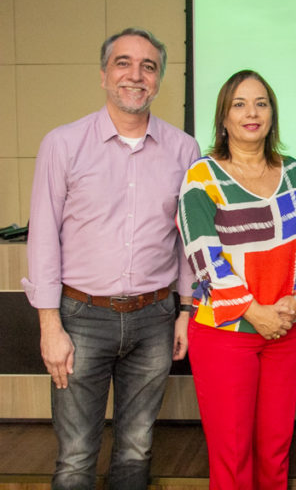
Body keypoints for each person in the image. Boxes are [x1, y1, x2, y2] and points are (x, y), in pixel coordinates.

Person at [22, 27, 200, 489]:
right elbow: (43, 238)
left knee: (136, 449)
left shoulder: (184, 150)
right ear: (104, 74)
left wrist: (185, 310)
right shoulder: (62, 144)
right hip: (81, 318)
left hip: (155, 318)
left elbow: (186, 239)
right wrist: (49, 326)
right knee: (77, 456)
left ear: (158, 79)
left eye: (148, 66)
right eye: (123, 63)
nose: (135, 75)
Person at [176, 70, 296, 489]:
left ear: (272, 114)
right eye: (239, 104)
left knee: (275, 448)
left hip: (287, 330)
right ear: (224, 117)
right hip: (226, 332)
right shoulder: (203, 176)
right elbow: (204, 258)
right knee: (232, 455)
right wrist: (256, 312)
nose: (251, 113)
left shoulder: (294, 172)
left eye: (261, 103)